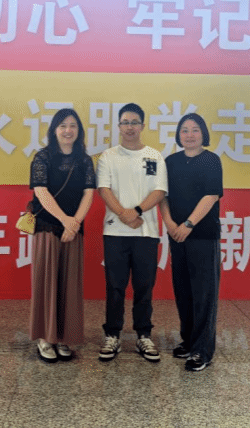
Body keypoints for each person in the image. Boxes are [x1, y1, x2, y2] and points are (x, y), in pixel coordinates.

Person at [96, 103, 167, 362]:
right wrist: (124, 215)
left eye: (134, 122)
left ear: (142, 126)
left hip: (146, 232)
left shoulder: (154, 156)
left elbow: (159, 191)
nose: (130, 127)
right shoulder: (108, 156)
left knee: (144, 286)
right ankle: (112, 335)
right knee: (115, 286)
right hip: (115, 232)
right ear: (119, 126)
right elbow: (104, 189)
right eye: (125, 122)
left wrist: (135, 211)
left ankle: (144, 335)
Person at [28, 108, 96, 363]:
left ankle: (65, 337)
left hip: (73, 230)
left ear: (79, 131)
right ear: (54, 130)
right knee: (47, 283)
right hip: (48, 227)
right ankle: (45, 338)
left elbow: (89, 193)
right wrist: (65, 220)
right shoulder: (43, 157)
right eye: (63, 125)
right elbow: (41, 191)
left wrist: (74, 223)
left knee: (70, 285)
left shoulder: (85, 160)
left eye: (73, 126)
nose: (68, 130)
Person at [159, 112, 223, 372]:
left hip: (203, 235)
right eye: (184, 130)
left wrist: (188, 224)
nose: (189, 135)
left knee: (204, 294)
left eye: (195, 129)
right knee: (183, 291)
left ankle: (202, 350)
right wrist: (169, 223)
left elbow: (211, 195)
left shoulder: (211, 160)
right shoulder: (171, 162)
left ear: (203, 133)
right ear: (178, 134)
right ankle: (188, 341)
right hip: (176, 235)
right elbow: (162, 196)